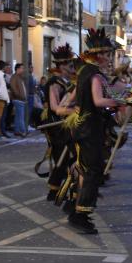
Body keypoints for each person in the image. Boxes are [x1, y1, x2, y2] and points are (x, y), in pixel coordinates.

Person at [68, 28, 132, 234]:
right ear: (98, 55)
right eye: (107, 55)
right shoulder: (95, 75)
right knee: (93, 170)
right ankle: (81, 214)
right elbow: (99, 100)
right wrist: (123, 100)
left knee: (86, 167)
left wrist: (129, 91)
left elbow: (106, 92)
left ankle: (73, 203)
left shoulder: (86, 72)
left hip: (85, 126)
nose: (109, 59)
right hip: (90, 129)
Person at [44, 44, 77, 201]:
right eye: (70, 65)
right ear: (61, 66)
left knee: (69, 157)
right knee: (62, 158)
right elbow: (55, 107)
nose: (72, 68)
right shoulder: (54, 83)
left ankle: (63, 187)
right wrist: (75, 112)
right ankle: (54, 190)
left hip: (66, 124)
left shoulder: (67, 81)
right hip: (56, 126)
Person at [10, 63, 28, 137]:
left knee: (18, 116)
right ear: (18, 69)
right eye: (22, 68)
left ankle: (17, 130)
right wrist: (21, 97)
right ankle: (23, 131)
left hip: (20, 99)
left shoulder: (19, 77)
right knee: (21, 116)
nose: (23, 70)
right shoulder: (14, 77)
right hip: (18, 99)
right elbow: (14, 88)